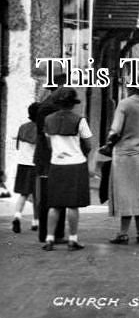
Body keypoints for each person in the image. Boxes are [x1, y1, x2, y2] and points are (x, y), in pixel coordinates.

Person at [107, 72, 139, 245]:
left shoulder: (125, 104)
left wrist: (108, 144)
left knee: (126, 193)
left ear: (132, 86)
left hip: (125, 154)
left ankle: (123, 233)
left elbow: (115, 131)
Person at [42, 88, 91, 251]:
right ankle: (73, 239)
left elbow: (49, 145)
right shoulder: (80, 120)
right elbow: (88, 145)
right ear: (72, 104)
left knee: (55, 204)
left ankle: (49, 239)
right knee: (72, 205)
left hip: (56, 164)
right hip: (76, 164)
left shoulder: (48, 120)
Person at [34, 79, 67, 244]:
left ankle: (54, 232)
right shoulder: (49, 108)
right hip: (49, 157)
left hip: (50, 156)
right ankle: (50, 233)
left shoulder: (48, 105)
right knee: (50, 196)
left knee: (54, 195)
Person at [12, 103, 40, 233]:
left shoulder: (22, 127)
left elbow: (18, 146)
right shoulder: (40, 129)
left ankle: (17, 216)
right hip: (35, 165)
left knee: (23, 194)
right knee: (36, 196)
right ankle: (35, 222)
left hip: (22, 164)